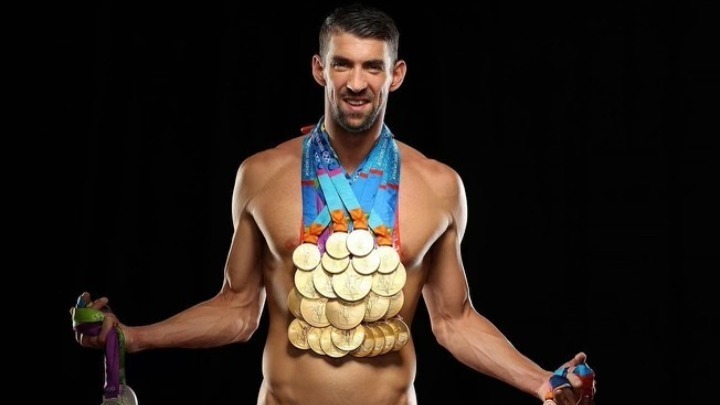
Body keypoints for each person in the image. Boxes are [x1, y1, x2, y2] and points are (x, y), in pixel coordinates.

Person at [70, 3, 596, 404]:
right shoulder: (260, 174)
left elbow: (455, 320)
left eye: (373, 67)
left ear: (396, 75)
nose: (357, 83)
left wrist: (541, 382)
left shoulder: (439, 186)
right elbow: (237, 309)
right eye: (342, 65)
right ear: (319, 70)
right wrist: (133, 338)